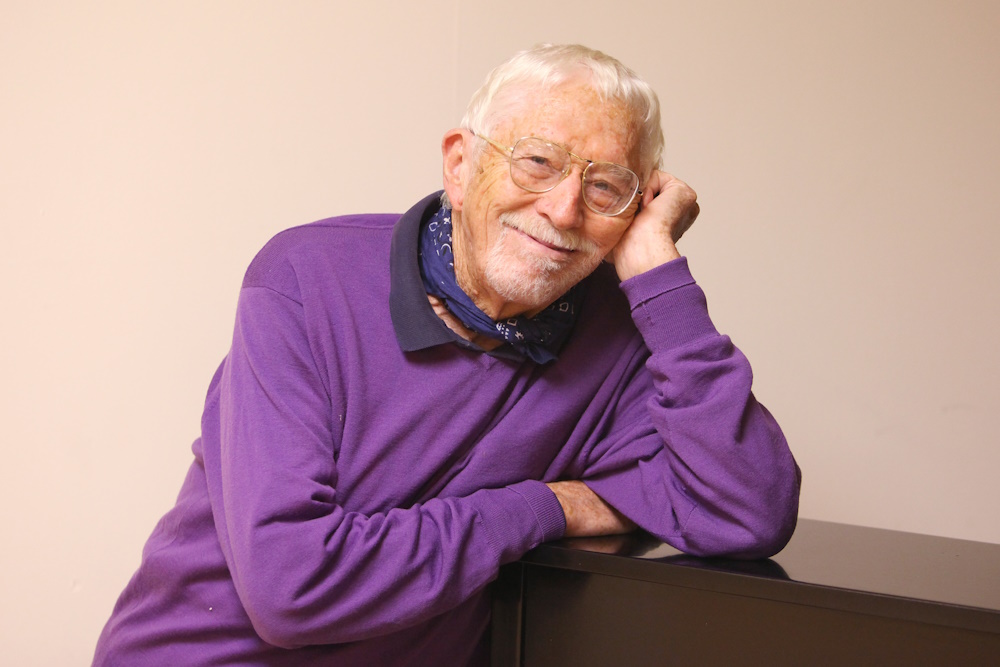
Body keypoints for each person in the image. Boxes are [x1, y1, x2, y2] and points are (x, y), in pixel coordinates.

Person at [93, 43, 800, 666]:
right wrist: (548, 507)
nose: (563, 210)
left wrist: (659, 280)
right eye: (538, 162)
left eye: (605, 187)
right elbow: (292, 587)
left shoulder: (618, 340)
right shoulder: (306, 278)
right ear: (461, 166)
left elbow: (751, 510)